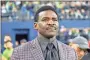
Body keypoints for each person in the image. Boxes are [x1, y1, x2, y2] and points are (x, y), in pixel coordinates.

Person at [11, 5, 77, 60]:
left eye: (54, 20)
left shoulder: (71, 52)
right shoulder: (19, 53)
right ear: (35, 25)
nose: (51, 23)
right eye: (45, 19)